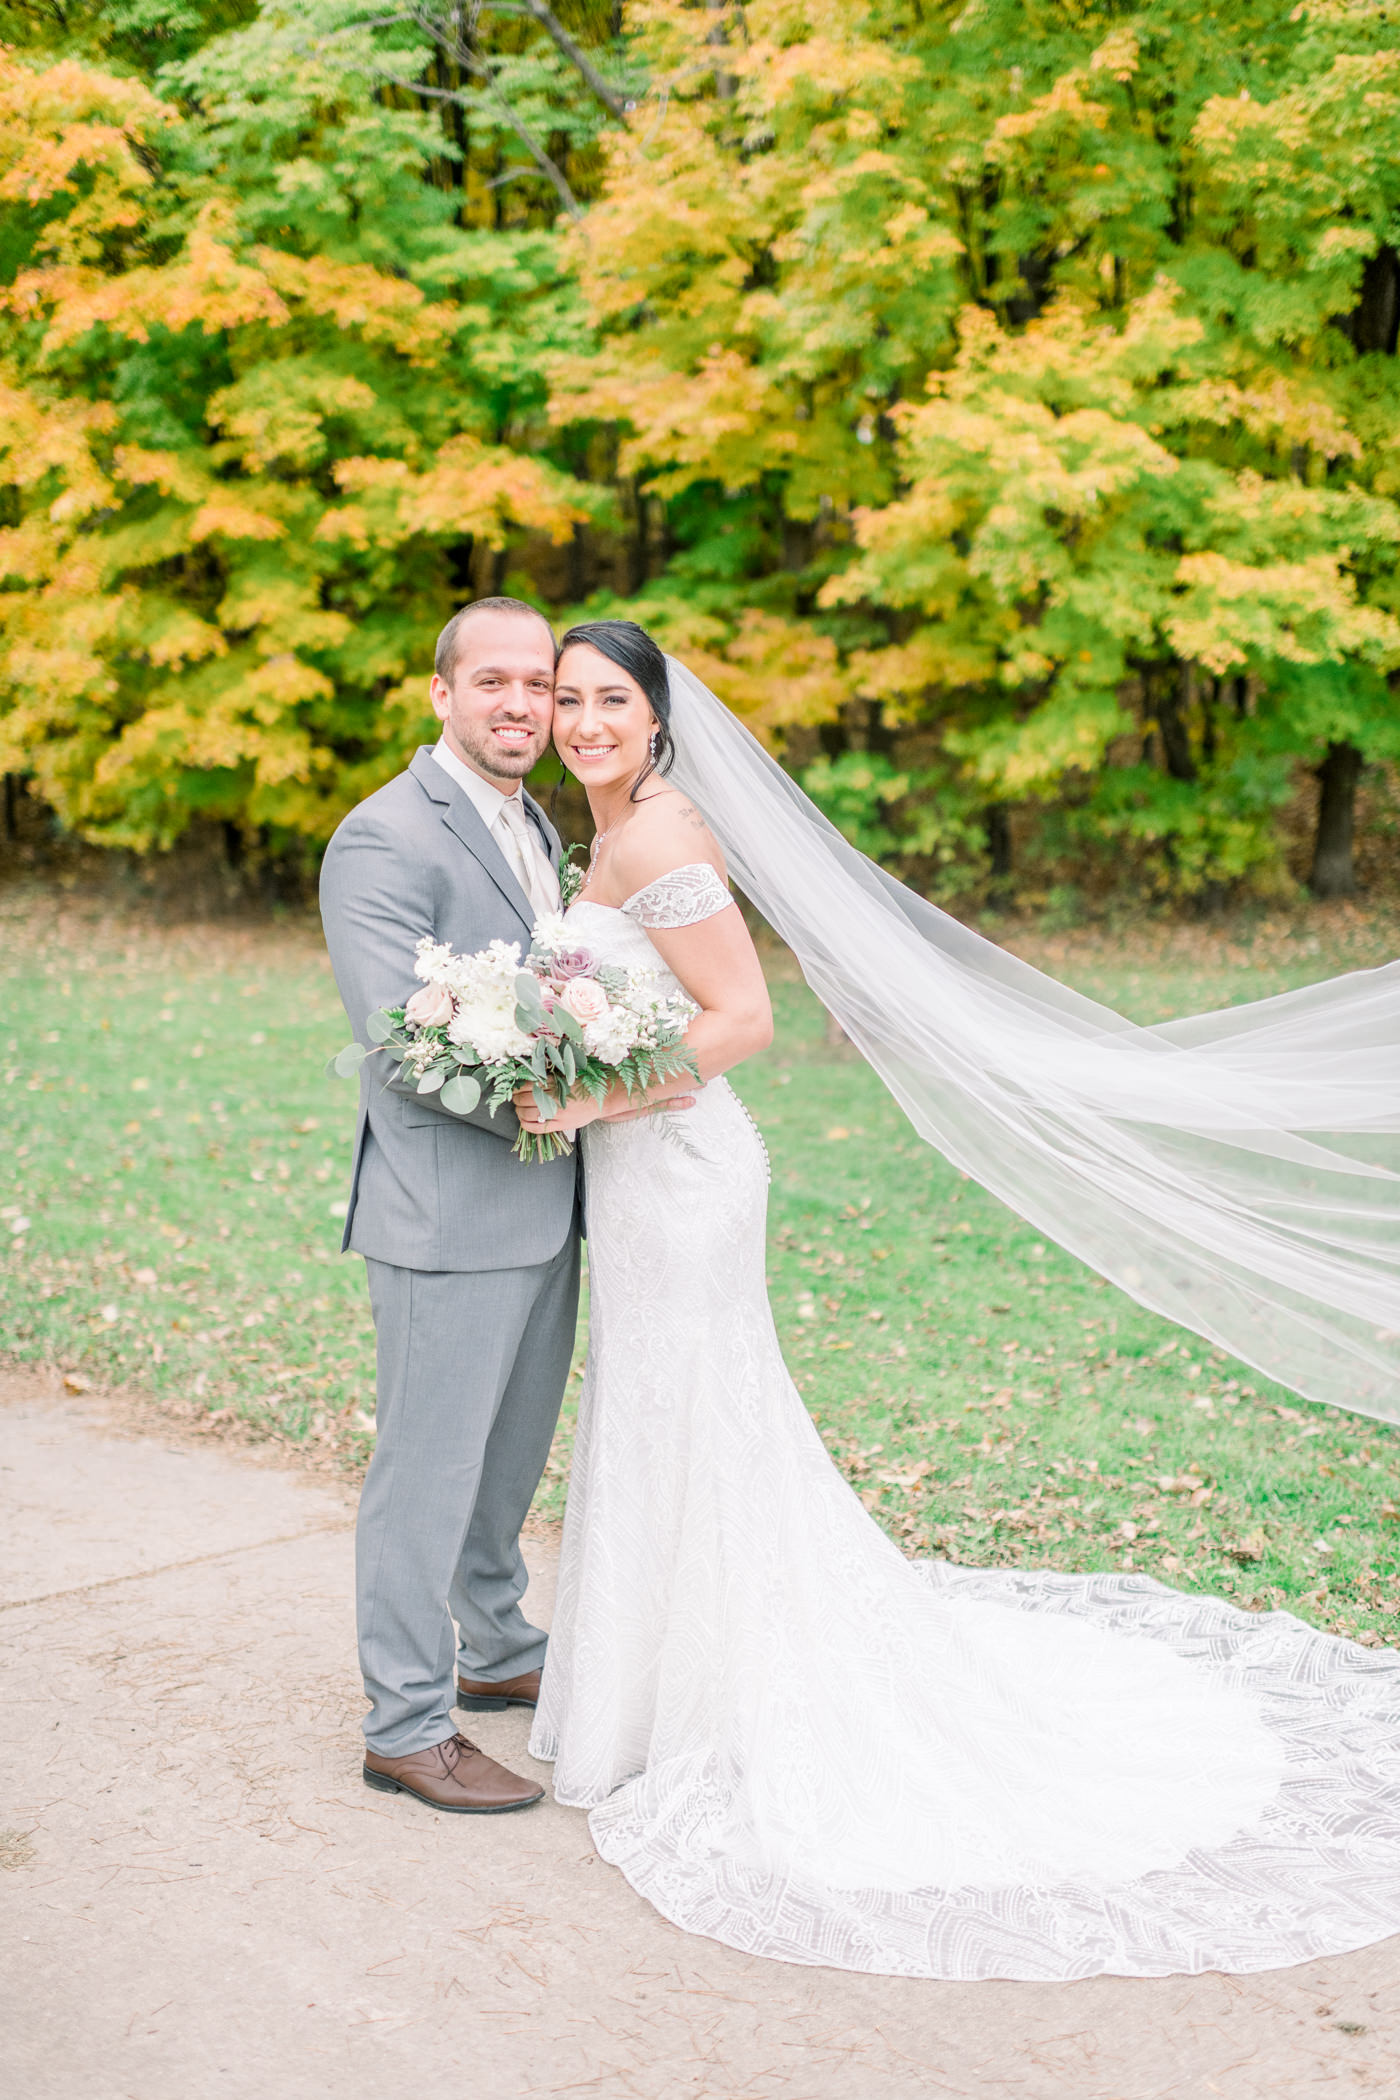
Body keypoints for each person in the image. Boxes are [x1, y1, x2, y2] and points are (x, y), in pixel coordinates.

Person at [515, 617, 1400, 1983]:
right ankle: (655, 1696)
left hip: (679, 1175)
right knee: (661, 1420)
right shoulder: (614, 830)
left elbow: (740, 1022)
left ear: (659, 715)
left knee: (690, 1418)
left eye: (609, 700)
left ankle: (693, 1703)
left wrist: (579, 1099)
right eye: (569, 698)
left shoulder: (661, 838)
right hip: (638, 1177)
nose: (583, 721)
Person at [319, 597, 587, 1815]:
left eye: (536, 683)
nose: (520, 703)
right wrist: (547, 1106)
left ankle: (494, 1648)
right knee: (425, 1474)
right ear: (441, 694)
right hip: (445, 1208)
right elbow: (401, 1038)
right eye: (493, 682)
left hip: (547, 1203)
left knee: (507, 1460)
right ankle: (405, 1724)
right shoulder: (383, 839)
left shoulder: (536, 822)